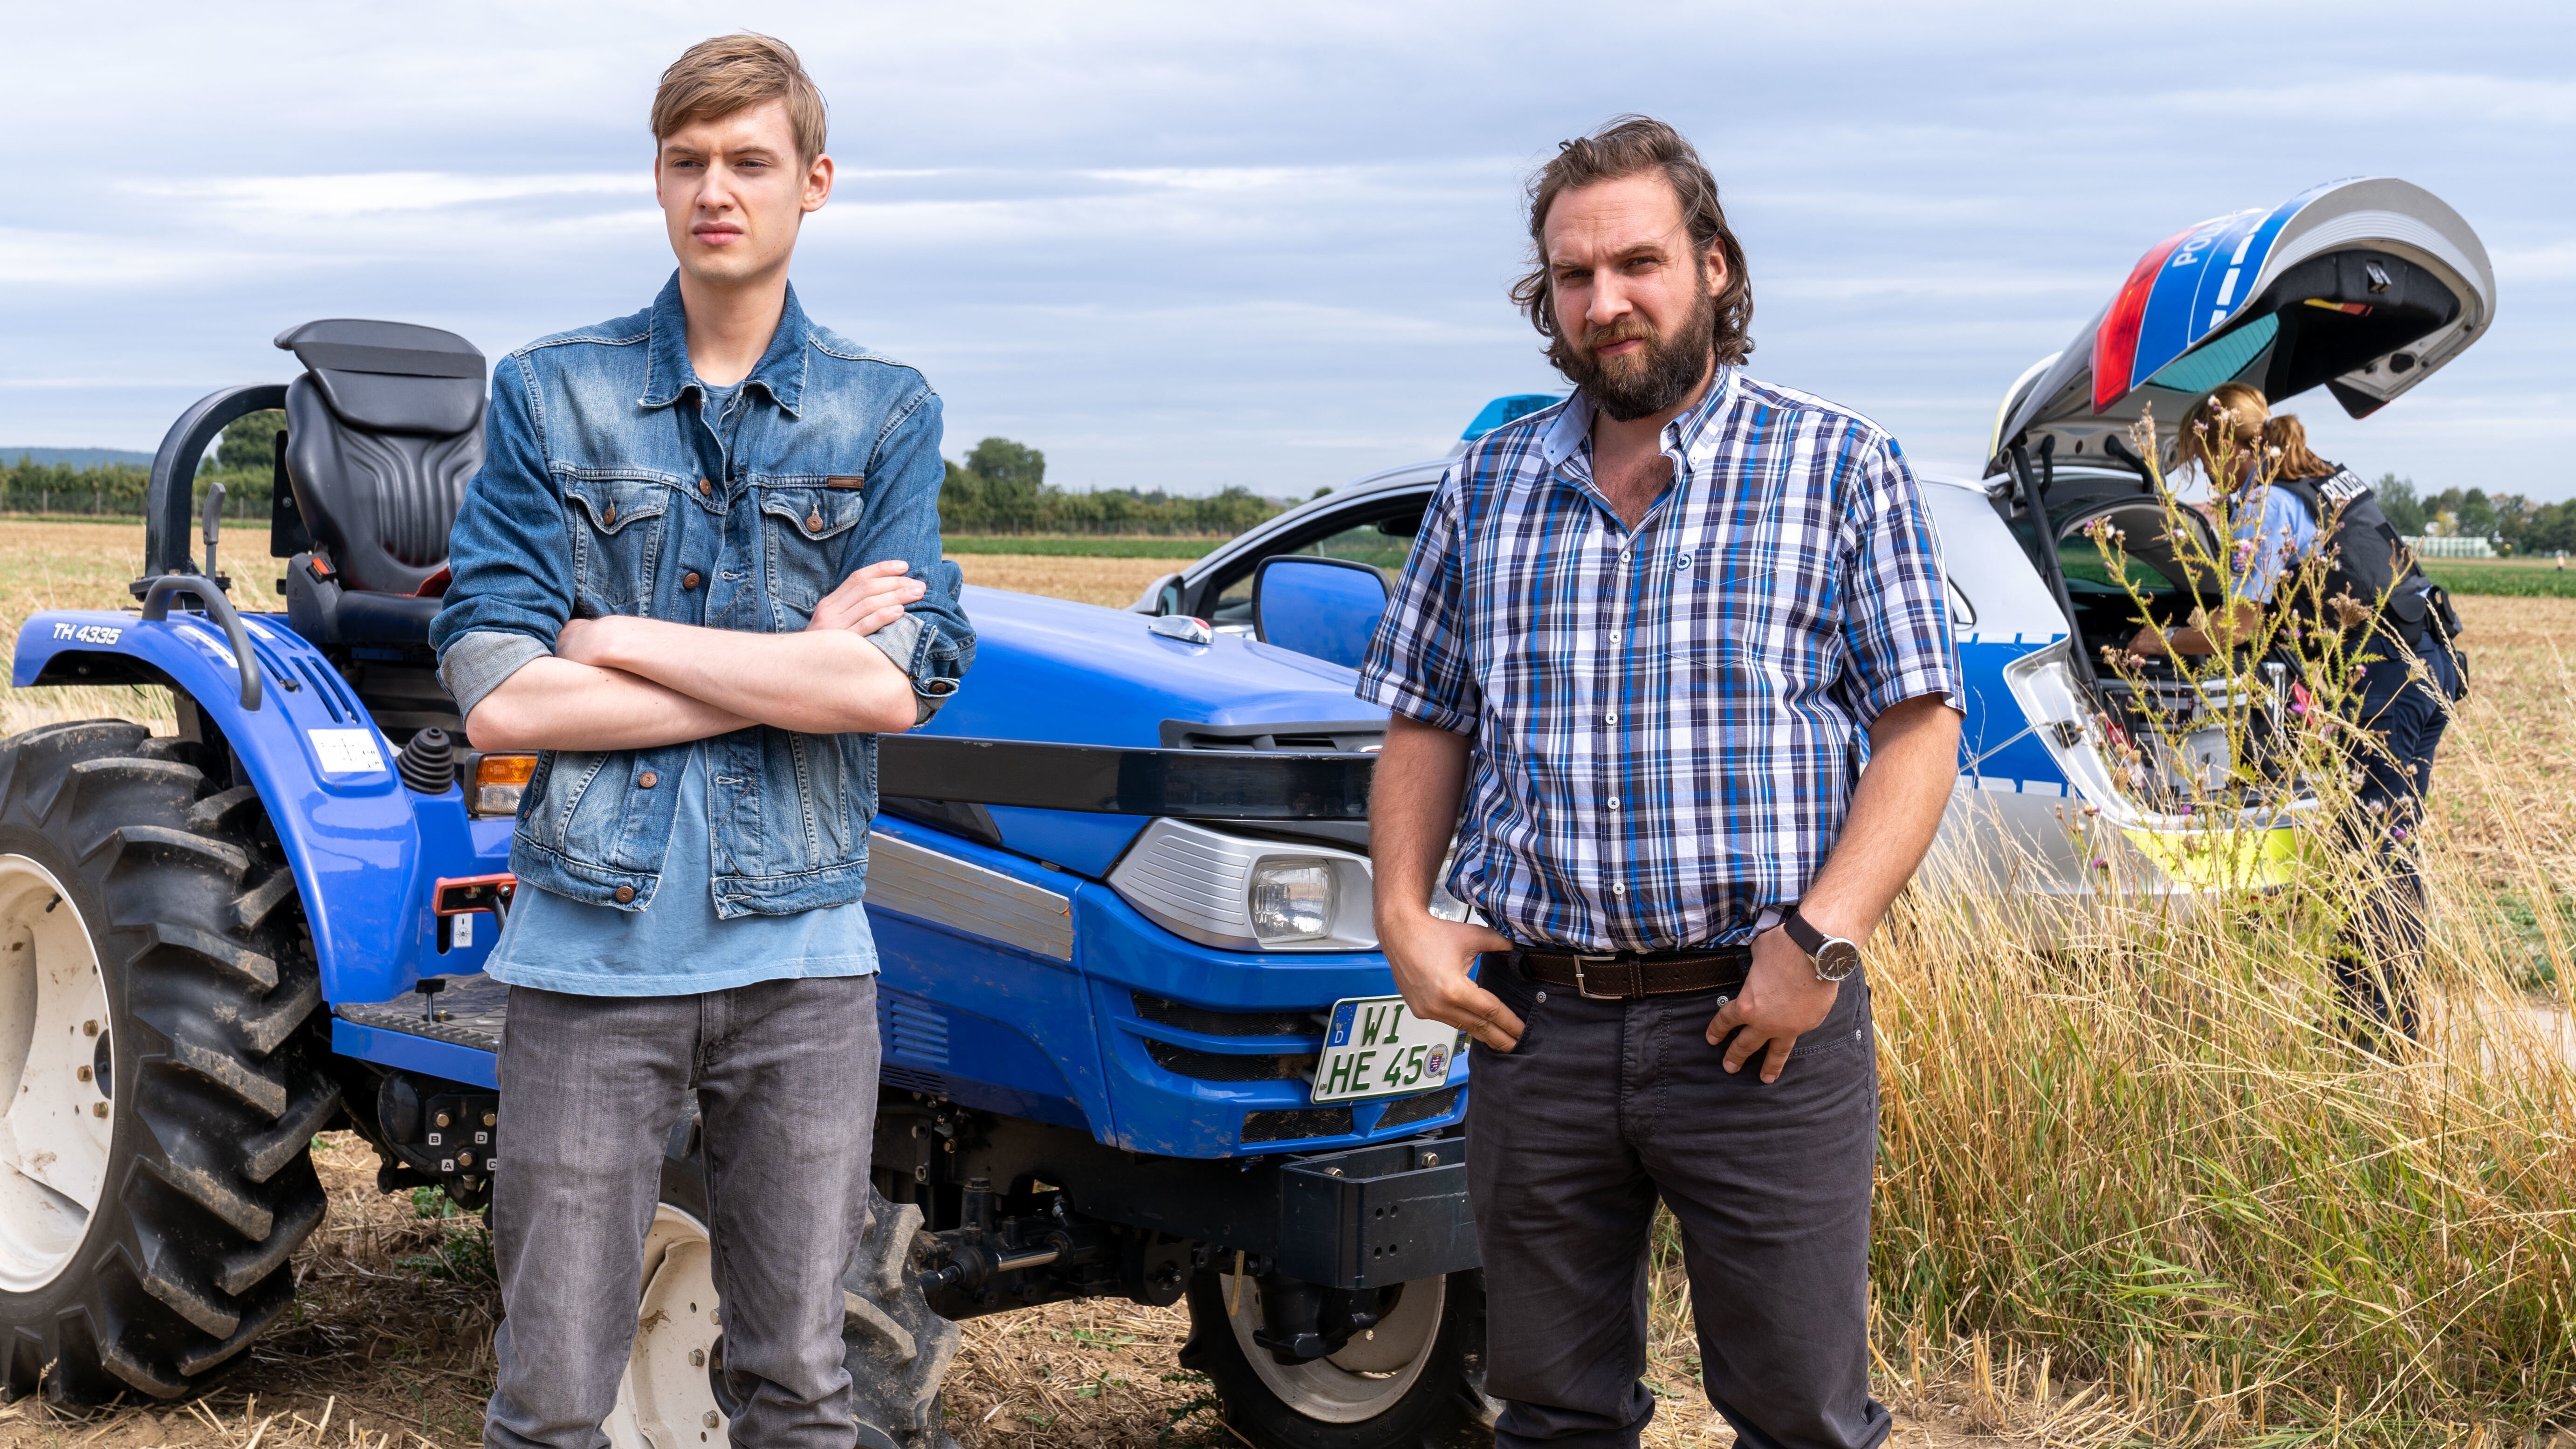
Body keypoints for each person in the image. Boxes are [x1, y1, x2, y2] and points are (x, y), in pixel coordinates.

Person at [1360, 116, 1963, 1449]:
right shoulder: (1489, 483)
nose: (1605, 302)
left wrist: (1819, 942)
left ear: (1714, 265)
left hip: (1760, 1020)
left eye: (1637, 262)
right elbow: (1425, 720)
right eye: (1573, 276)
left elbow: (1919, 729)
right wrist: (1402, 914)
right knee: (1550, 1411)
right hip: (1538, 1025)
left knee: (1800, 1416)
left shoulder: (1836, 465)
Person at [428, 34, 974, 1449]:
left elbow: (890, 689)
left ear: (814, 182)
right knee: (551, 1397)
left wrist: (614, 637)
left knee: (801, 1390)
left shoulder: (884, 410)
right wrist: (795, 668)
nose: (715, 190)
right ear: (659, 181)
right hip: (589, 965)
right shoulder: (552, 392)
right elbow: (501, 697)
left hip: (802, 971)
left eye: (748, 161)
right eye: (687, 162)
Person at [2127, 381, 2463, 1038]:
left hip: (2385, 683)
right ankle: (2383, 1018)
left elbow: (2238, 626)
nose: (2209, 479)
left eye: (2204, 461)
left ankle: (2373, 1031)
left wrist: (2158, 639)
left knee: (2370, 851)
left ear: (2229, 450)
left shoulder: (2269, 502)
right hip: (2431, 663)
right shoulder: (2321, 477)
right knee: (2389, 842)